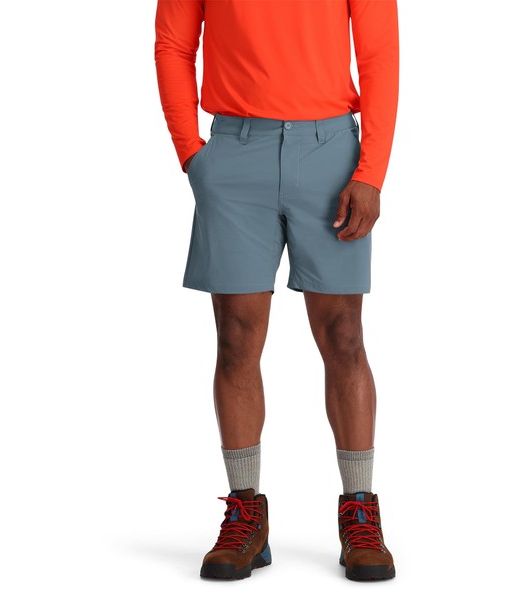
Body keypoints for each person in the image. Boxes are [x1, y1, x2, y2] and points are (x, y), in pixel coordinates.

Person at [154, 0, 399, 582]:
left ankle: (359, 509)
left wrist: (370, 172)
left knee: (344, 336)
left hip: (330, 151)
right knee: (237, 337)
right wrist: (191, 152)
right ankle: (246, 514)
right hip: (235, 151)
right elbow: (174, 45)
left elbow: (379, 55)